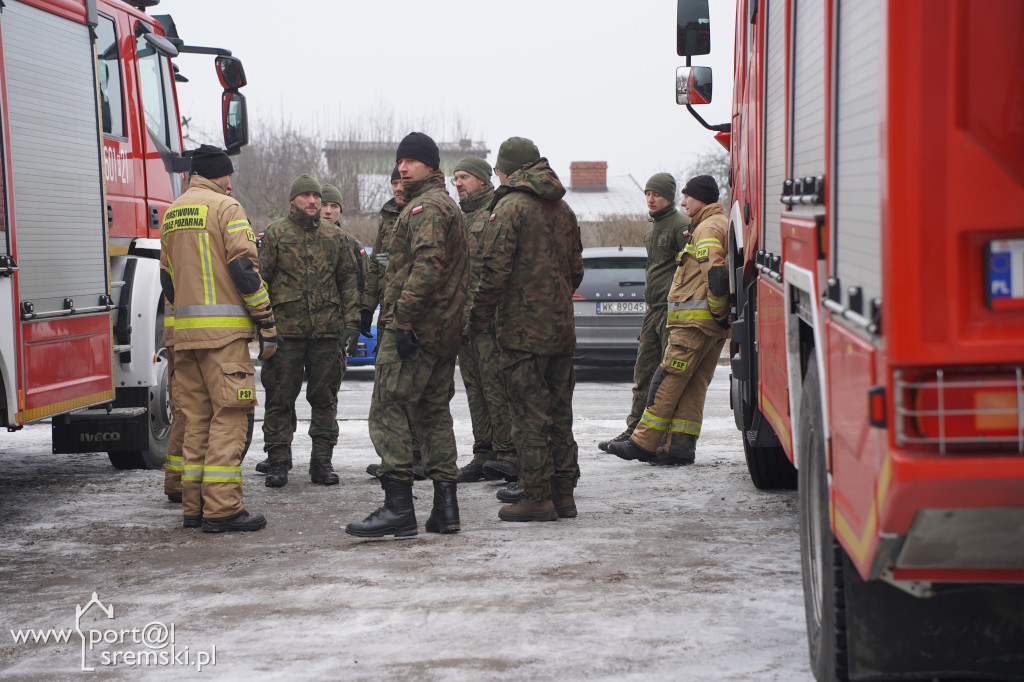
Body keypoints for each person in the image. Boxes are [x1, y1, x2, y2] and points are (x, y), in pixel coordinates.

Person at [346, 132, 468, 538]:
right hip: (442, 332)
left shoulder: (424, 207)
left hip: (416, 331)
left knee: (388, 409)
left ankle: (398, 507)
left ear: (432, 167)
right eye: (401, 161)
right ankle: (445, 509)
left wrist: (402, 320)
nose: (403, 167)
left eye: (412, 161)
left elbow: (428, 266)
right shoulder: (445, 204)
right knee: (433, 414)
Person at [159, 144, 275, 532]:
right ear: (219, 174)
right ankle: (223, 508)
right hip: (223, 339)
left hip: (185, 339)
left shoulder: (173, 212)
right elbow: (243, 269)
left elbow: (167, 281)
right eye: (229, 174)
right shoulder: (227, 208)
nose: (231, 181)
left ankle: (194, 508)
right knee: (230, 418)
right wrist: (266, 319)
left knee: (196, 422)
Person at [467, 137, 584, 522]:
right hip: (561, 329)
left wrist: (478, 318)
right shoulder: (563, 208)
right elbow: (576, 272)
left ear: (507, 170)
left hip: (521, 331)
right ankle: (563, 494)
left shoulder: (510, 207)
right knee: (559, 413)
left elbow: (494, 271)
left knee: (529, 414)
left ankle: (536, 496)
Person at [606, 175, 730, 465]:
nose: (683, 202)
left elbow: (716, 274)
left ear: (702, 199)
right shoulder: (717, 223)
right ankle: (679, 448)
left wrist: (718, 311)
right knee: (693, 386)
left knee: (667, 379)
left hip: (694, 324)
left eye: (688, 197)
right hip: (708, 325)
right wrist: (721, 318)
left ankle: (642, 442)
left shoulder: (708, 226)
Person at [258, 175, 360, 487]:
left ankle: (322, 462)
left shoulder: (336, 237)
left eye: (316, 197)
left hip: (327, 333)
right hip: (285, 333)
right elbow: (262, 278)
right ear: (293, 200)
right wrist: (263, 324)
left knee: (325, 398)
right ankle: (278, 461)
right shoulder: (276, 234)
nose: (313, 202)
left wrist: (352, 324)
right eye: (306, 197)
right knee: (279, 397)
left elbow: (349, 282)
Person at [599, 173, 691, 452]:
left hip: (672, 311)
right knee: (643, 372)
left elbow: (689, 270)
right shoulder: (651, 225)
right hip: (652, 310)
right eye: (647, 193)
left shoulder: (682, 226)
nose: (650, 199)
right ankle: (634, 430)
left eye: (657, 194)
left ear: (669, 197)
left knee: (667, 377)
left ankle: (662, 437)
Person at [452, 155, 519, 484]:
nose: (458, 183)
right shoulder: (459, 218)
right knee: (474, 388)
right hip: (463, 323)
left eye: (464, 177)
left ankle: (507, 453)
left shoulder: (498, 211)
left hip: (491, 320)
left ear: (483, 179)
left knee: (496, 388)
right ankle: (484, 452)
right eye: (455, 178)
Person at [361, 166, 426, 482]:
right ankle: (398, 458)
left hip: (419, 319)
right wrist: (365, 307)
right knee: (387, 393)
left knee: (415, 394)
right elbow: (379, 266)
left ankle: (415, 458)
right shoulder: (387, 219)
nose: (399, 187)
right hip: (389, 318)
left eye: (404, 182)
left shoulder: (426, 213)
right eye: (394, 183)